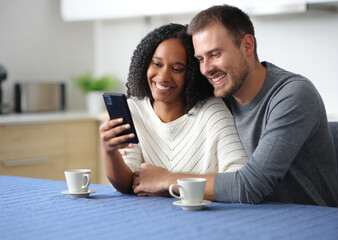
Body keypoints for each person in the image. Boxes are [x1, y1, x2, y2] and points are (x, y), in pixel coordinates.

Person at [131, 5, 338, 208]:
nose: (206, 69)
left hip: (312, 221)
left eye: (215, 54)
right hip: (249, 217)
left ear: (247, 46)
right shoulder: (220, 98)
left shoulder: (293, 95)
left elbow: (251, 186)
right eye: (200, 59)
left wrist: (167, 180)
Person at [99, 23, 248, 194]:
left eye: (177, 69)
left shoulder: (212, 112)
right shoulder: (134, 110)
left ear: (192, 74)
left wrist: (167, 184)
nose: (163, 77)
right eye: (157, 64)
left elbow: (238, 181)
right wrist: (109, 151)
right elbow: (127, 184)